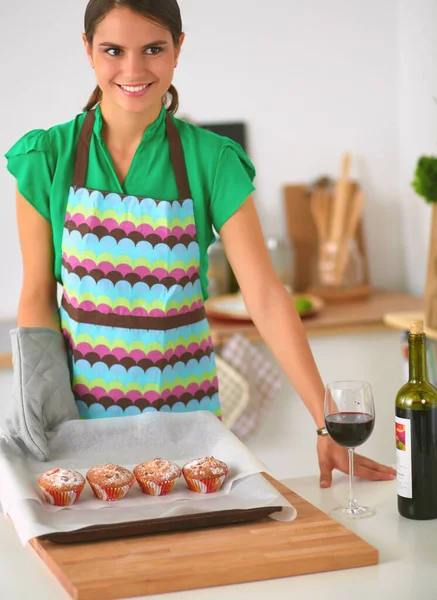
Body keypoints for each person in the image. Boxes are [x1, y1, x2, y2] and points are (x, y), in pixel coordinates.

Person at [4, 0, 395, 487]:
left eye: (152, 48)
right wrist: (39, 407)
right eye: (112, 50)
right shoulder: (47, 157)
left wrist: (326, 419)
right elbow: (37, 293)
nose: (133, 69)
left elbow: (266, 296)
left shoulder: (211, 160)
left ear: (177, 49)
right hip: (81, 428)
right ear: (88, 51)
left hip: (189, 428)